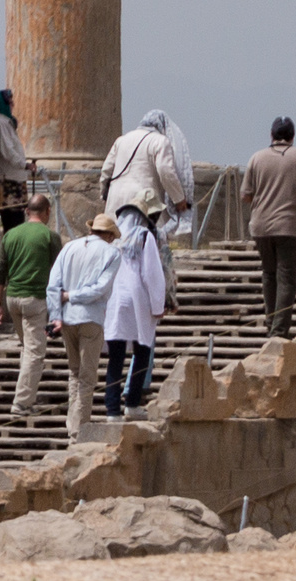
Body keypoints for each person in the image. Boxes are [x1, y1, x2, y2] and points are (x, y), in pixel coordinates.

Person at [240, 117, 296, 339]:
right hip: (289, 225)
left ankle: (270, 322)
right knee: (286, 277)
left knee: (269, 274)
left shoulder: (257, 158)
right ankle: (279, 330)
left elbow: (245, 194)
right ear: (292, 136)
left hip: (261, 226)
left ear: (271, 135)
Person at [45, 213, 122, 438]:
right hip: (90, 317)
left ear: (91, 230)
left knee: (75, 373)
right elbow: (101, 289)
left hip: (67, 318)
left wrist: (56, 315)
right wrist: (73, 296)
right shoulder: (112, 253)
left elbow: (53, 286)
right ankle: (80, 429)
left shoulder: (69, 247)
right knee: (87, 376)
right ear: (108, 235)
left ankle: (73, 426)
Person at [0, 193, 64, 417]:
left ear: (27, 211)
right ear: (47, 212)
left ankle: (26, 397)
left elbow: (0, 271)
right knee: (35, 353)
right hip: (35, 299)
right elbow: (58, 272)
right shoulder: (50, 236)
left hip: (11, 298)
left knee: (28, 348)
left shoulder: (10, 235)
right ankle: (21, 403)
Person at [104, 192, 169, 420]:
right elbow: (152, 274)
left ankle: (112, 409)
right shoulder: (144, 236)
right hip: (137, 299)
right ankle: (131, 403)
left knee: (116, 357)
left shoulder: (112, 240)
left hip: (113, 301)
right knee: (142, 351)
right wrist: (158, 304)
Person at [100, 110, 194, 226]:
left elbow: (106, 170)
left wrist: (104, 193)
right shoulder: (160, 141)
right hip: (143, 198)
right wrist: (178, 198)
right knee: (143, 238)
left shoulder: (121, 140)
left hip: (115, 197)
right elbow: (166, 171)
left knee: (114, 239)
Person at [0, 90, 31, 231]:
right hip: (8, 182)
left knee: (18, 222)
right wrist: (25, 165)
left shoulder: (5, 122)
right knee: (13, 224)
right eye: (9, 101)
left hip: (13, 179)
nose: (12, 104)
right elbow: (8, 150)